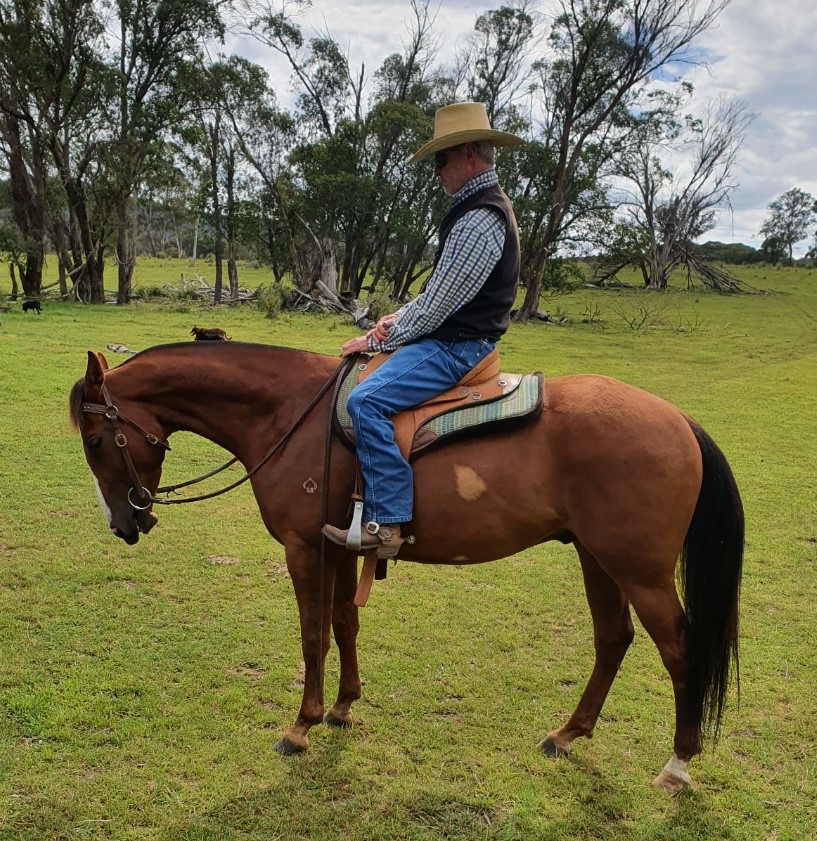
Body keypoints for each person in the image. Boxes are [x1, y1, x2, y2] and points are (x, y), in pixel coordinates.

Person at [323, 101, 523, 558]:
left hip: (456, 347)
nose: (437, 171)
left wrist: (378, 338)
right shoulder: (477, 209)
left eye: (441, 158)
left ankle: (387, 521)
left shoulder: (479, 218)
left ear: (468, 152)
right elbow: (439, 295)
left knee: (365, 401)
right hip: (456, 337)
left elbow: (437, 308)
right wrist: (396, 320)